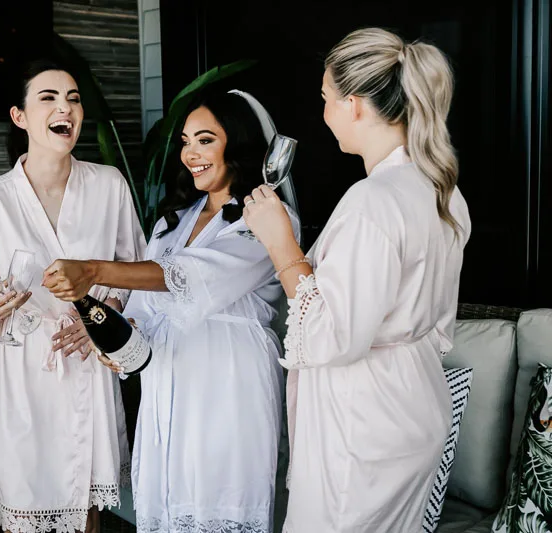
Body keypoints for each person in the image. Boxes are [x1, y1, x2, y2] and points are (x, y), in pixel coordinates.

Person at [242, 27, 472, 532]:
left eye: (325, 99)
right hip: (416, 403)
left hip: (365, 424)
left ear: (355, 105)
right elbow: (436, 324)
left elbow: (333, 333)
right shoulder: (443, 192)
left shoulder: (373, 202)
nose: (322, 114)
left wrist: (281, 243)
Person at [42, 89, 300, 533]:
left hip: (230, 376)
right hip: (168, 376)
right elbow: (142, 309)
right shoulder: (171, 222)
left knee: (221, 495)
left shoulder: (268, 219)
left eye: (205, 140)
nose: (190, 154)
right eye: (185, 141)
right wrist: (119, 343)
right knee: (170, 499)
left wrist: (92, 269)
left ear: (235, 143)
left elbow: (192, 274)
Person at [0, 58, 146, 533]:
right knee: (28, 496)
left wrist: (99, 316)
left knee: (88, 505)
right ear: (19, 117)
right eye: (49, 98)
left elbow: (136, 272)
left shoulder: (108, 184)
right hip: (24, 365)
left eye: (74, 99)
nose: (66, 108)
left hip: (86, 352)